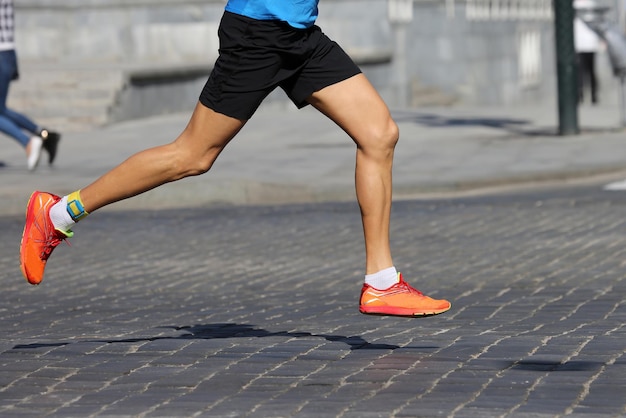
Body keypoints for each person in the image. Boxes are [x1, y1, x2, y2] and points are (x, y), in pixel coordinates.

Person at [19, 0, 451, 318]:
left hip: (299, 35)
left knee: (380, 134)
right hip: (258, 33)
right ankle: (58, 213)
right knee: (191, 155)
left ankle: (381, 282)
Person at [0, 0, 60, 170]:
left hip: (2, 53)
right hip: (7, 53)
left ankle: (28, 142)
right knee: (1, 109)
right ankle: (44, 135)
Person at [574, 0, 602, 104]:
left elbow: (597, 23)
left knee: (589, 71)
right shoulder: (575, 4)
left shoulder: (591, 4)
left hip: (590, 43)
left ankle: (593, 95)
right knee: (581, 71)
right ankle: (581, 95)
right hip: (580, 43)